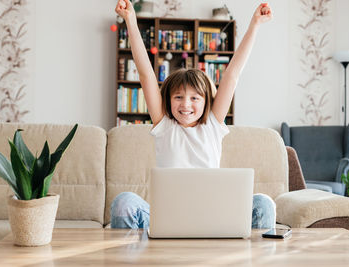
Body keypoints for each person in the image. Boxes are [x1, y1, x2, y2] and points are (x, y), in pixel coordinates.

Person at [111, 0, 275, 229]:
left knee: (263, 204)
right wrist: (130, 20)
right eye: (178, 97)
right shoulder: (164, 125)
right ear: (168, 100)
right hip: (166, 219)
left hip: (211, 218)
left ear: (207, 101)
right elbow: (146, 74)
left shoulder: (213, 125)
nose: (185, 105)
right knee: (124, 202)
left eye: (195, 98)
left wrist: (255, 24)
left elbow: (232, 74)